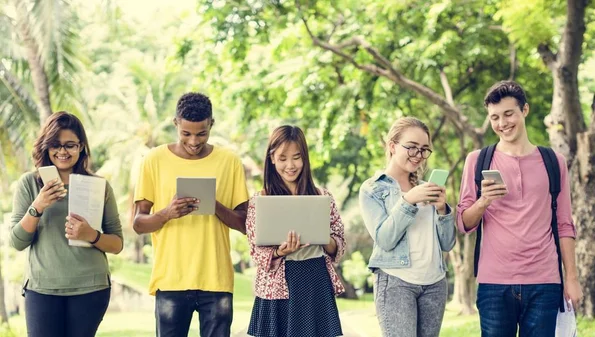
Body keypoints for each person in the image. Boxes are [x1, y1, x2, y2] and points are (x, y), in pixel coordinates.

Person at [457, 81, 583, 337]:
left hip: (545, 281)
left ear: (524, 110)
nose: (502, 123)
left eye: (508, 114)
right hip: (494, 283)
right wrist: (483, 202)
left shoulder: (553, 162)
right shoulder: (477, 160)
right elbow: (463, 223)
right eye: (494, 117)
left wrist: (571, 278)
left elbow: (564, 224)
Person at [133, 92, 249, 337]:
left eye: (201, 133)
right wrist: (167, 213)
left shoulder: (229, 162)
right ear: (176, 123)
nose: (194, 141)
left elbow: (245, 223)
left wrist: (213, 204)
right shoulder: (154, 160)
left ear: (211, 125)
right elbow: (138, 223)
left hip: (216, 280)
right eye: (186, 133)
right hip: (171, 280)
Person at [9, 111, 123, 337]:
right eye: (56, 145)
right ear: (46, 147)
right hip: (42, 288)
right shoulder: (30, 184)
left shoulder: (99, 186)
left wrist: (92, 235)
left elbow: (117, 244)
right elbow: (17, 242)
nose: (62, 151)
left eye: (70, 145)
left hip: (90, 288)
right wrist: (38, 205)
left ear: (81, 147)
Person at [359, 116, 456, 337]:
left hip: (434, 284)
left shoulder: (427, 188)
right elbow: (384, 239)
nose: (418, 156)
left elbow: (448, 243)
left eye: (423, 150)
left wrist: (443, 210)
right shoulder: (372, 189)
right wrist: (407, 201)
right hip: (396, 283)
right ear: (392, 146)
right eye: (411, 147)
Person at [245, 125, 346, 337]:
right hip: (277, 284)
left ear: (305, 158)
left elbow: (339, 244)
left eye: (296, 158)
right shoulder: (260, 200)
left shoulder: (322, 196)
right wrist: (281, 252)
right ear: (271, 158)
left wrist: (322, 236)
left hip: (314, 278)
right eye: (282, 158)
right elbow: (255, 251)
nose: (290, 165)